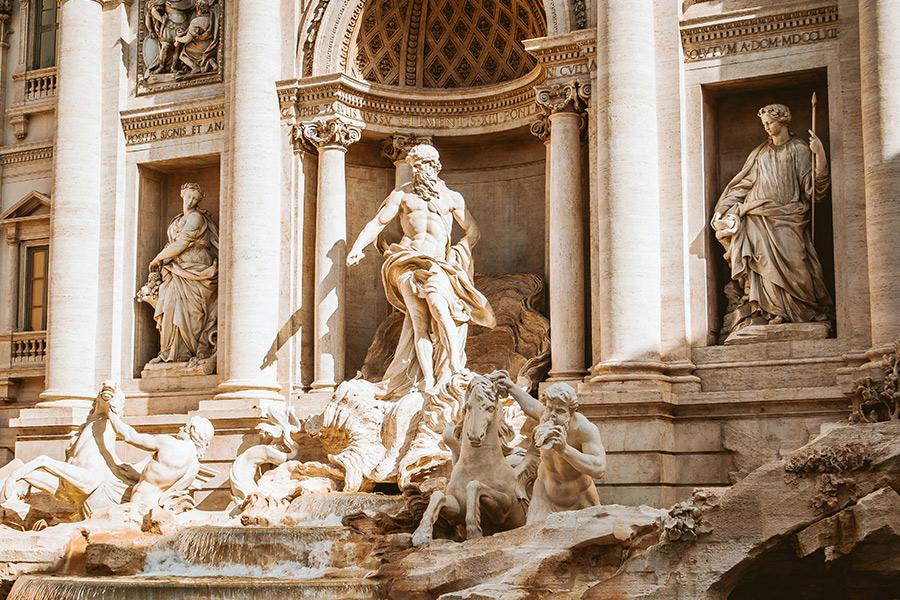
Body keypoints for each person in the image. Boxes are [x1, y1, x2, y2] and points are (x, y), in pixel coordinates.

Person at [346, 143, 495, 396]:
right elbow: (378, 222)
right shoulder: (402, 195)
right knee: (419, 324)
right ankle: (426, 379)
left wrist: (459, 253)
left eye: (423, 164)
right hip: (406, 260)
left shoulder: (452, 198)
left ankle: (456, 366)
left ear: (435, 166)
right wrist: (357, 247)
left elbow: (473, 230)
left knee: (440, 309)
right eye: (415, 165)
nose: (418, 170)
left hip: (438, 263)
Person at [711, 103, 833, 337]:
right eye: (764, 124)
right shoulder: (759, 154)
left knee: (797, 262)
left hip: (789, 216)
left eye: (770, 122)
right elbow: (743, 185)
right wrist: (723, 209)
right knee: (762, 264)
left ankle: (801, 310)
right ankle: (769, 312)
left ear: (784, 120)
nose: (767, 127)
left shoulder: (799, 150)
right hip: (756, 216)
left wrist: (820, 155)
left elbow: (814, 189)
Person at [496, 374, 607, 524]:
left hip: (580, 498)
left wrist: (564, 449)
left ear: (571, 412)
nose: (552, 416)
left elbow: (599, 469)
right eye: (549, 409)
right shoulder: (545, 416)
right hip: (544, 496)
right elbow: (530, 405)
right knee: (533, 541)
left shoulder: (584, 429)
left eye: (560, 411)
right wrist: (510, 387)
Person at [146, 182, 218, 364]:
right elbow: (173, 244)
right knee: (169, 305)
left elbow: (182, 243)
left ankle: (188, 351)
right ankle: (169, 351)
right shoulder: (177, 219)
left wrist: (158, 258)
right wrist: (165, 259)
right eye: (188, 196)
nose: (191, 200)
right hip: (175, 269)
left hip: (196, 266)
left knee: (192, 312)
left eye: (195, 198)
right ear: (181, 195)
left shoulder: (196, 218)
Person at [106, 402, 214, 512]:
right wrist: (136, 476)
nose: (180, 428)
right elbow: (163, 484)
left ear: (190, 430)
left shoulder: (169, 443)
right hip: (156, 507)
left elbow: (129, 436)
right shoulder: (194, 466)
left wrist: (111, 414)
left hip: (138, 503)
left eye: (185, 426)